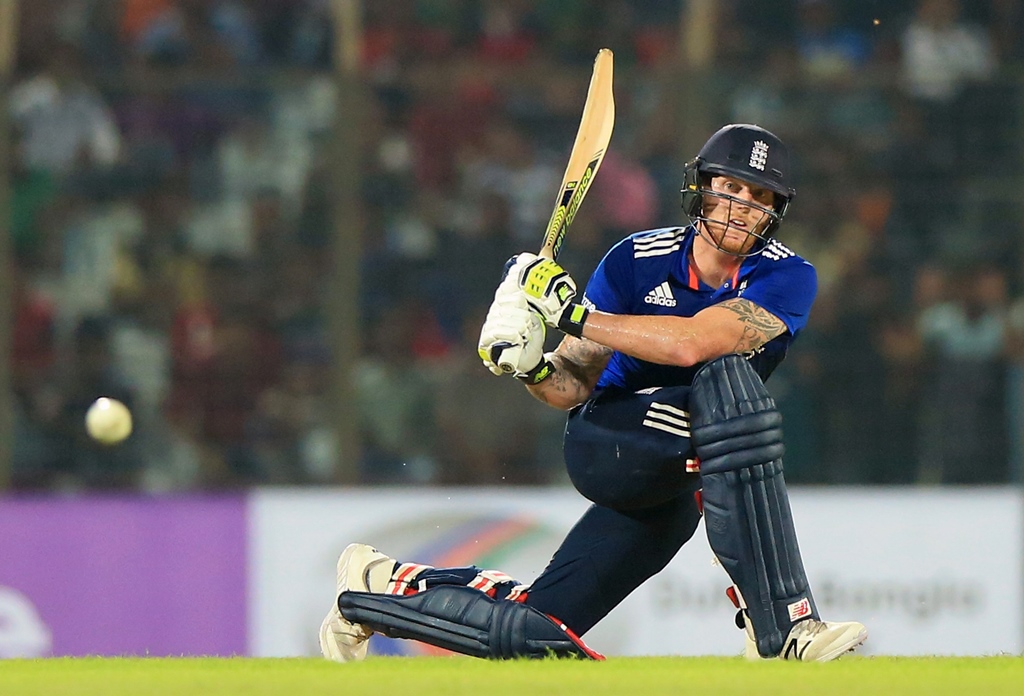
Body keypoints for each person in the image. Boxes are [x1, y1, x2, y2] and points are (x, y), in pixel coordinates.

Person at [319, 124, 868, 662]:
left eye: (759, 195)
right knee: (729, 394)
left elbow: (695, 344)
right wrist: (532, 367)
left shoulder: (789, 276)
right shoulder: (636, 258)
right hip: (611, 440)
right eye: (730, 186)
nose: (742, 204)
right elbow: (572, 385)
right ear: (701, 187)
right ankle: (783, 626)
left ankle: (378, 589)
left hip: (680, 474)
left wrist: (575, 315)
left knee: (535, 630)